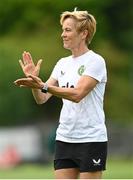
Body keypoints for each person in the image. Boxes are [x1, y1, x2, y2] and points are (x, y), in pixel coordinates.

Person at [14, 9, 108, 179]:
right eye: (63, 30)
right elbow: (42, 98)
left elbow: (77, 94)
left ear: (83, 33)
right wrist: (35, 82)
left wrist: (43, 86)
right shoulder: (62, 63)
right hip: (65, 138)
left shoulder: (96, 61)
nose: (63, 34)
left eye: (68, 30)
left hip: (91, 139)